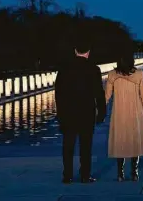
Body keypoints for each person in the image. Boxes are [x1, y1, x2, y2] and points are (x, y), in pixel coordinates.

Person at [54, 35, 107, 184]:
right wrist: (102, 112)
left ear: (75, 51)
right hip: (86, 112)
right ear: (88, 52)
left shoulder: (64, 69)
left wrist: (60, 113)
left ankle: (67, 175)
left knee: (68, 145)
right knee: (86, 146)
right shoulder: (94, 69)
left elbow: (59, 93)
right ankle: (85, 175)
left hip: (68, 113)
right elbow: (99, 93)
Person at [105, 51, 143, 182]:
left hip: (119, 113)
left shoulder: (112, 75)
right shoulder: (139, 74)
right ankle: (135, 172)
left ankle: (120, 173)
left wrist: (98, 110)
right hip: (136, 113)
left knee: (120, 142)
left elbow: (106, 96)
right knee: (134, 141)